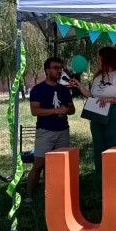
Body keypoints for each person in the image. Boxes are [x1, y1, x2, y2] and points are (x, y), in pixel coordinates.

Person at [68, 46, 116, 179]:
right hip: (97, 114)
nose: (97, 61)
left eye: (99, 58)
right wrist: (79, 85)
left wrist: (111, 99)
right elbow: (92, 96)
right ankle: (102, 179)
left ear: (107, 59)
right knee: (99, 146)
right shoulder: (98, 77)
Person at [25, 57, 75, 206]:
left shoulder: (63, 90)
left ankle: (60, 195)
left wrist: (66, 110)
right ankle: (28, 197)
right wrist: (55, 111)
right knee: (39, 164)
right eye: (55, 68)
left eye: (60, 68)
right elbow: (35, 111)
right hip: (45, 131)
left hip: (62, 131)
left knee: (62, 164)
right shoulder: (38, 89)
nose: (59, 71)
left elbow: (72, 109)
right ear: (47, 70)